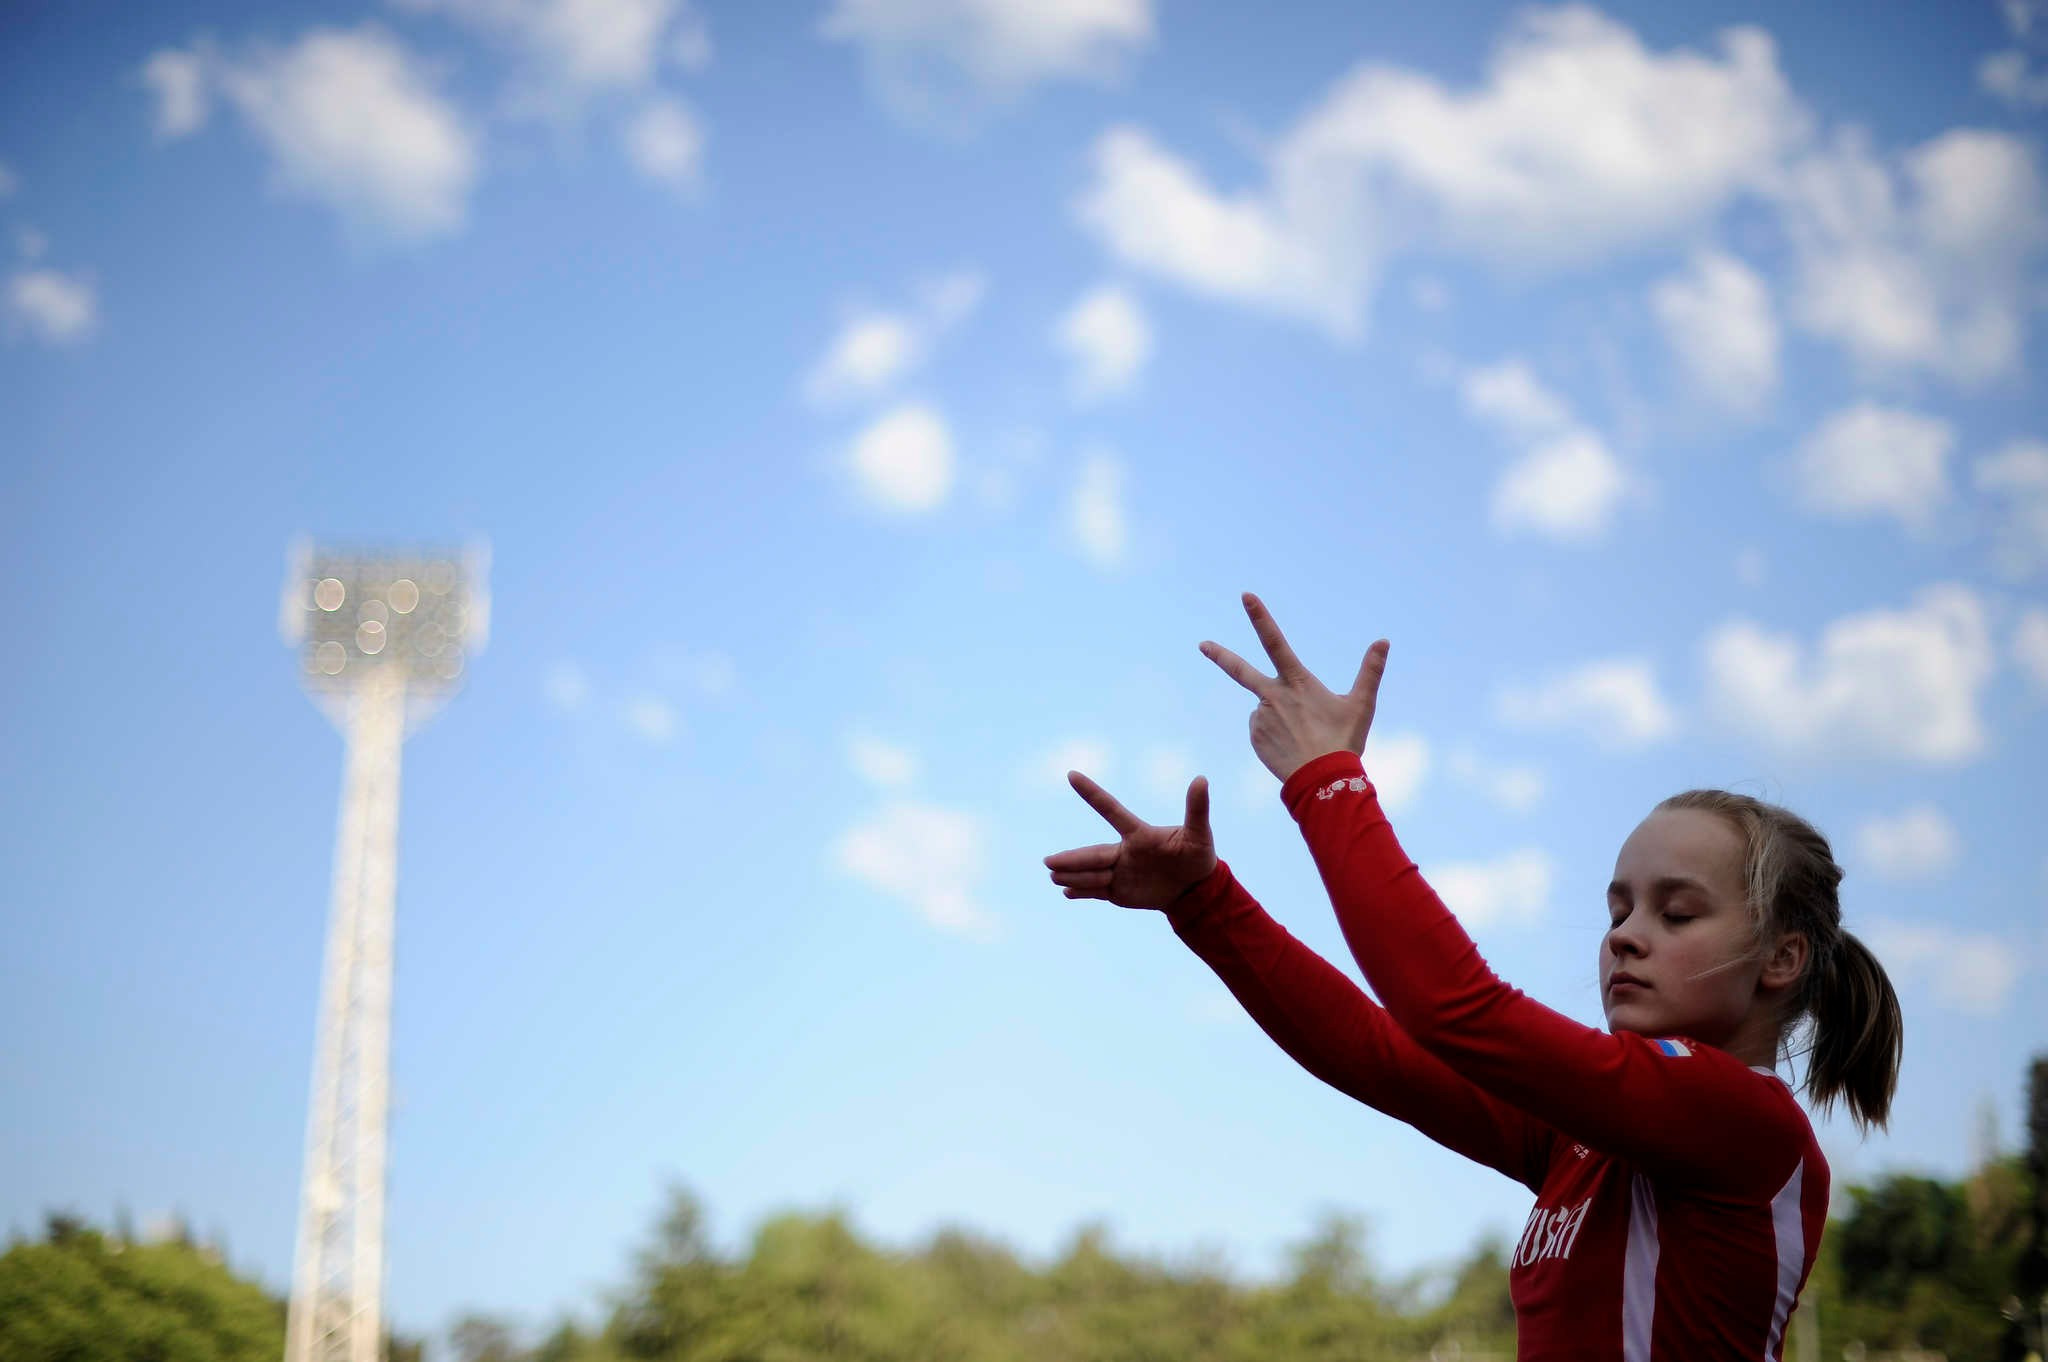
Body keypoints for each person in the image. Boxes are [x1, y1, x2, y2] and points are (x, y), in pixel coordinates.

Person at [1043, 593, 1903, 1361]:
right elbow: (1381, 1052)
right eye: (1617, 912)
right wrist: (1206, 903)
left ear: (1782, 959)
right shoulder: (1585, 1143)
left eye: (1676, 914)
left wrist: (1327, 782)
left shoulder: (1742, 1119)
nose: (1627, 938)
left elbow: (1455, 1008)